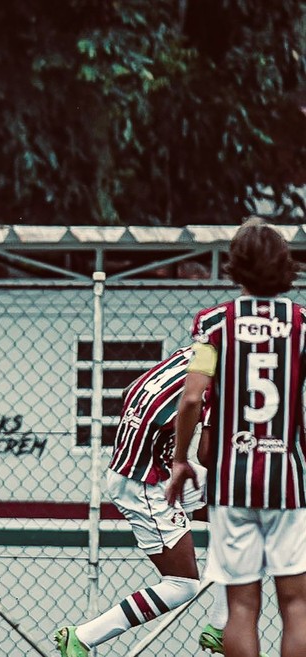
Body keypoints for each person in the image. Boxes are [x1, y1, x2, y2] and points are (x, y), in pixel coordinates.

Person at [167, 218, 306, 657]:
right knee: (297, 606)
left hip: (233, 481)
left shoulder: (212, 324)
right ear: (285, 266)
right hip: (288, 480)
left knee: (241, 606)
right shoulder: (303, 325)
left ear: (235, 266)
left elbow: (191, 400)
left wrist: (180, 458)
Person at [54, 347, 230, 656]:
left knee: (242, 513)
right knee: (182, 585)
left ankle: (221, 629)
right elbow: (207, 454)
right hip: (146, 484)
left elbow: (129, 390)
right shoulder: (226, 378)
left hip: (151, 470)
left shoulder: (196, 352)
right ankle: (82, 637)